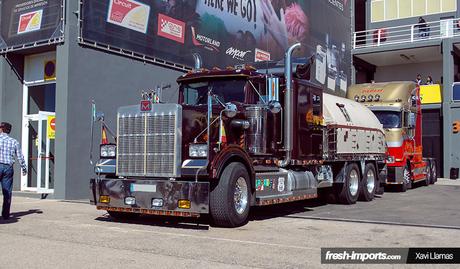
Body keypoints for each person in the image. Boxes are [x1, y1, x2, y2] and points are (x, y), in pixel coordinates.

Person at [0, 122, 27, 220]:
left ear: (2, 129)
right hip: (8, 168)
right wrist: (24, 168)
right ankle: (6, 214)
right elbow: (20, 156)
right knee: (7, 192)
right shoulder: (14, 142)